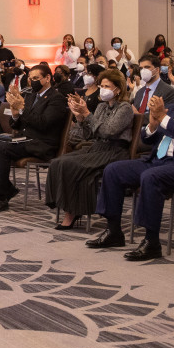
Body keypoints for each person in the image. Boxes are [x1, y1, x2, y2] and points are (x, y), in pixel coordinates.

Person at [90, 66, 174, 261]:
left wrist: (163, 118)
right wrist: (152, 125)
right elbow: (148, 139)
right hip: (158, 160)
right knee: (113, 170)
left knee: (150, 177)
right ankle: (114, 230)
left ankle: (151, 242)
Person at [46, 69, 135, 229]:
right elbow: (89, 135)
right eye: (101, 86)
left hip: (114, 151)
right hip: (97, 147)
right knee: (57, 162)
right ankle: (68, 206)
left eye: (107, 86)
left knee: (70, 165)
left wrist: (87, 113)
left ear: (118, 89)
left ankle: (71, 212)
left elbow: (108, 131)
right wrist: (80, 118)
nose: (103, 89)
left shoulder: (125, 108)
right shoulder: (101, 107)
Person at [0, 63, 69, 214]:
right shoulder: (30, 95)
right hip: (25, 139)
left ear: (47, 78)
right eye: (30, 78)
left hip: (42, 143)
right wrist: (15, 114)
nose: (31, 81)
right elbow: (17, 124)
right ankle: (7, 188)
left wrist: (22, 108)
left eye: (36, 78)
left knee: (1, 148)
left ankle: (1, 196)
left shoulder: (56, 98)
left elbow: (43, 123)